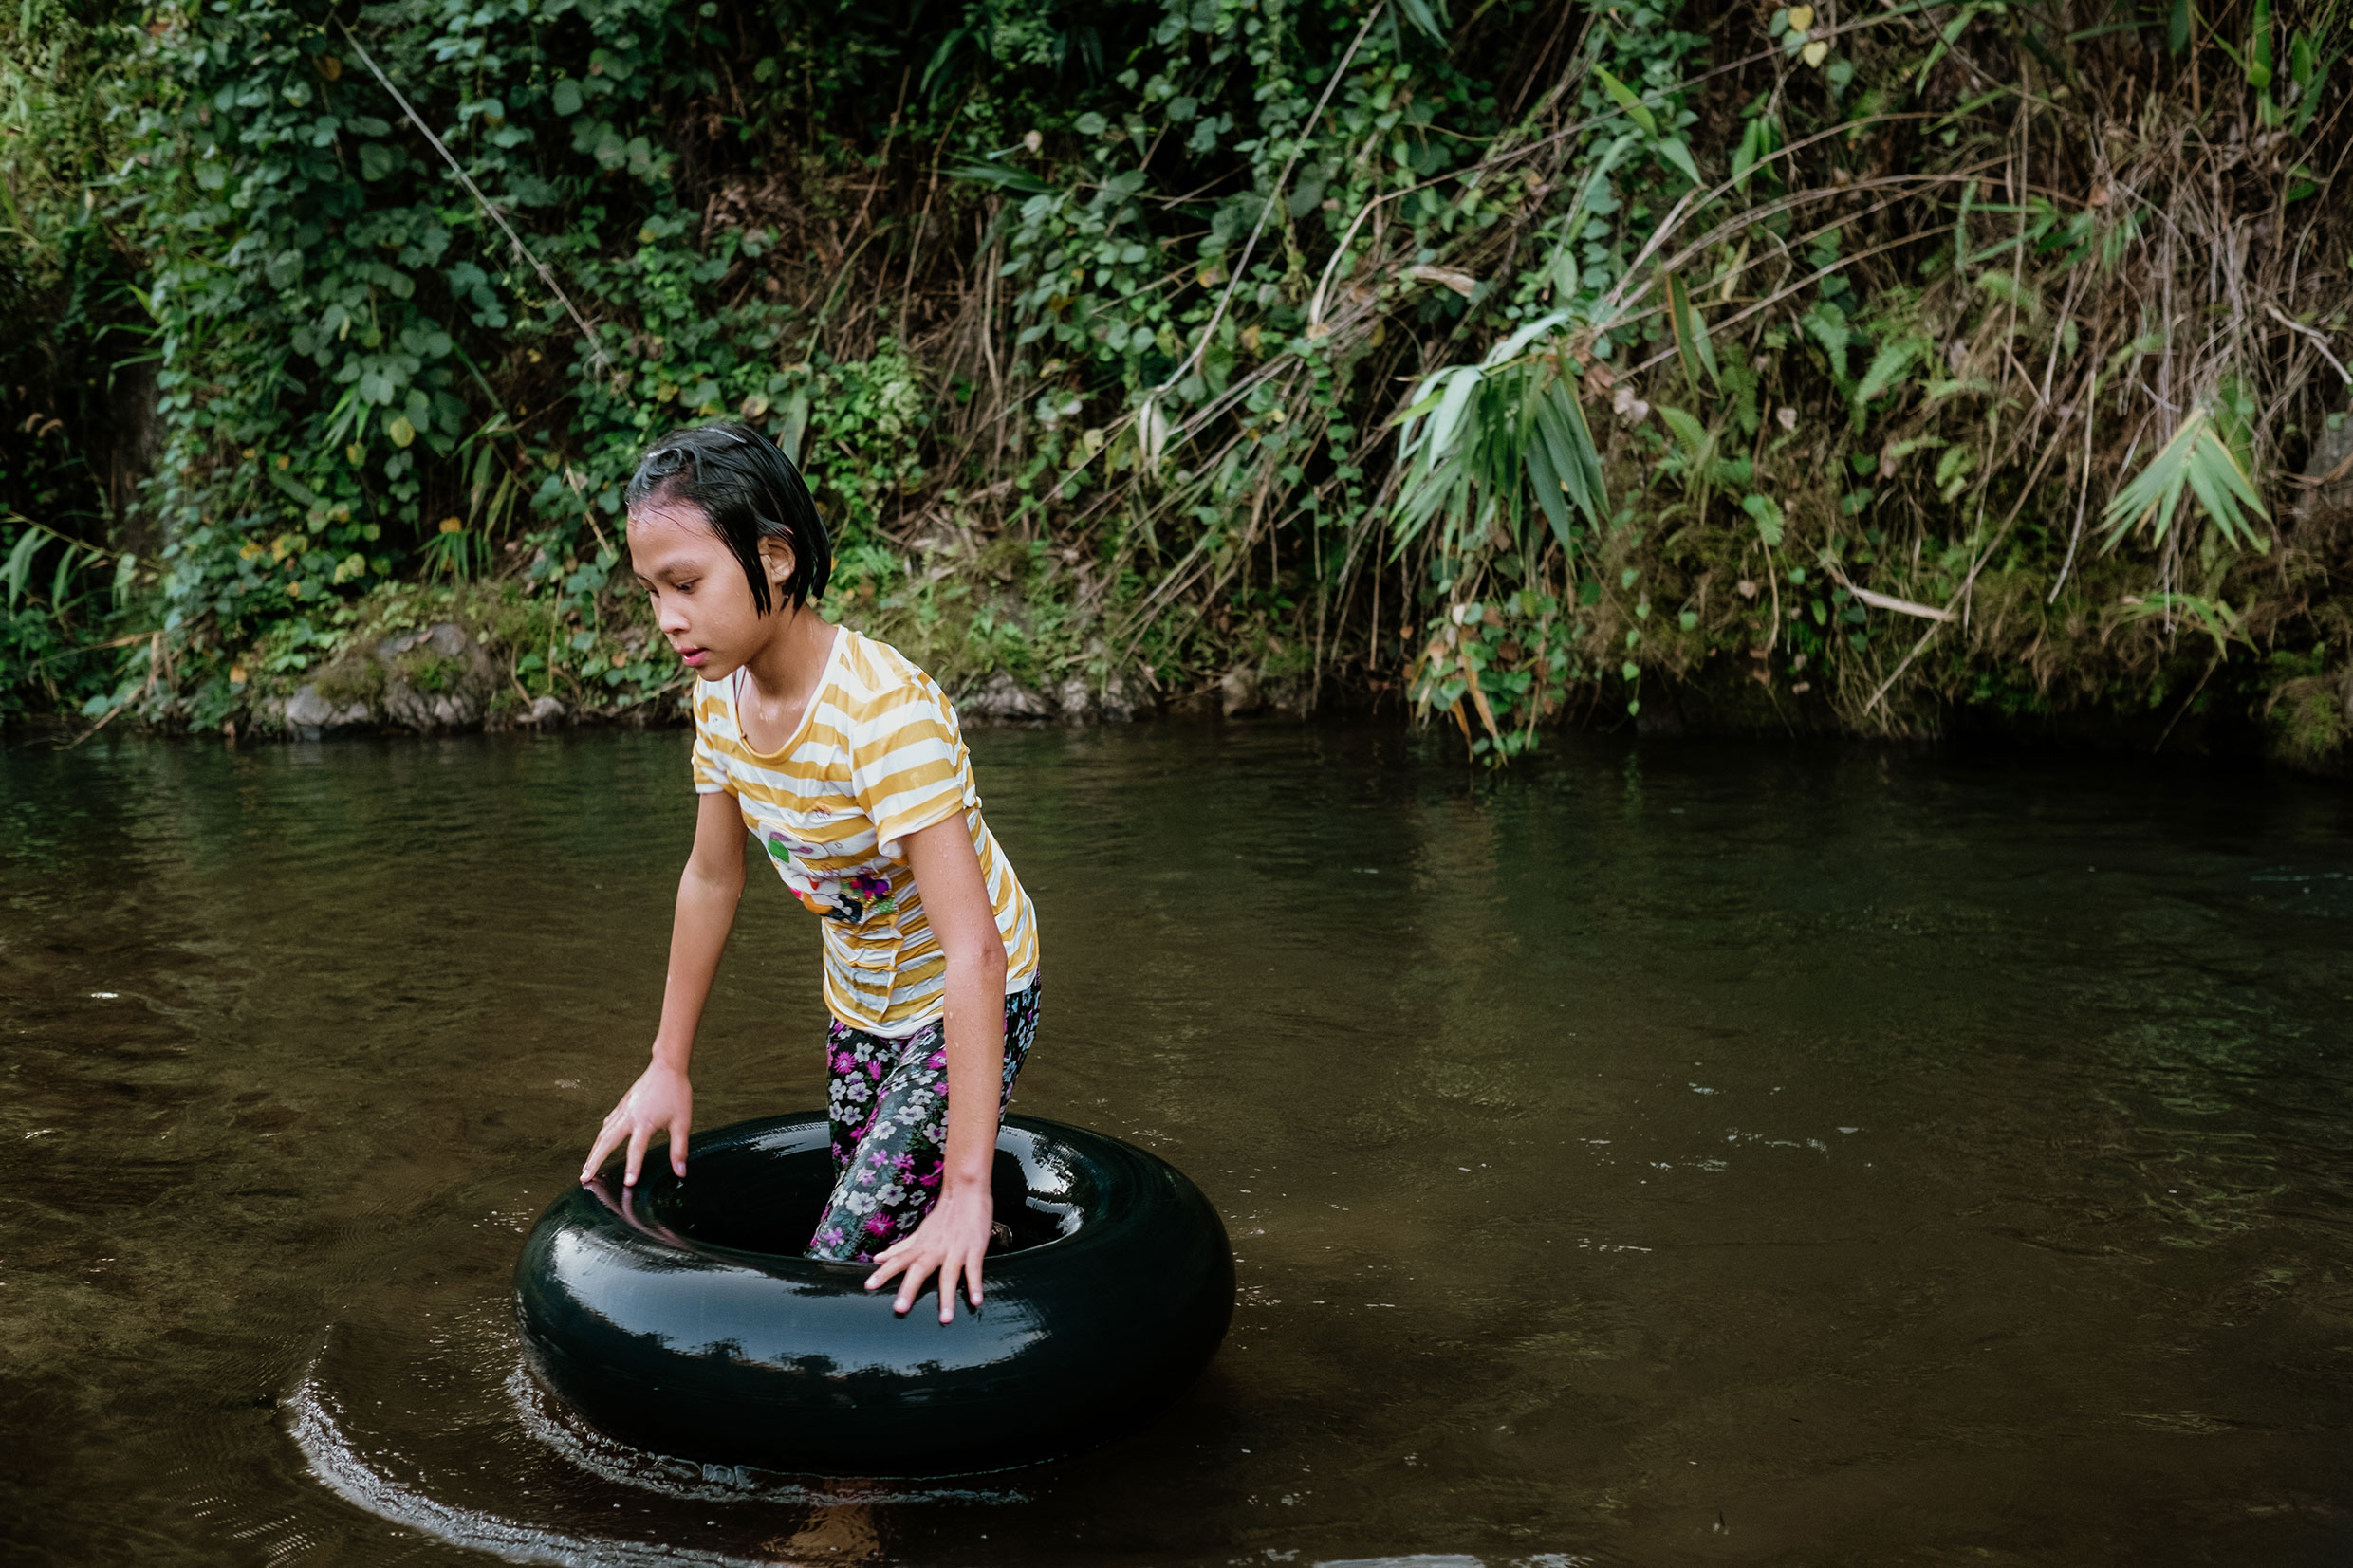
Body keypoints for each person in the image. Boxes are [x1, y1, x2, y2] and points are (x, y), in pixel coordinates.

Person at [579, 421, 1041, 1324]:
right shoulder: (720, 698)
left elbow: (974, 951)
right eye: (651, 591)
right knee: (864, 1211)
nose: (667, 617)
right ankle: (1002, 1257)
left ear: (776, 558)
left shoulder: (882, 718)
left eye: (687, 584)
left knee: (839, 1261)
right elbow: (713, 878)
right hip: (858, 1000)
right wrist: (667, 1062)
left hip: (971, 989)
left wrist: (969, 1188)